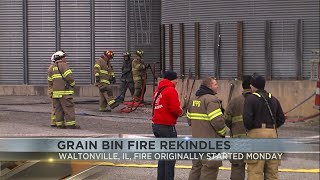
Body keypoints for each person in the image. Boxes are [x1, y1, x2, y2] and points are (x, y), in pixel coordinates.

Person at [243, 74, 285, 180]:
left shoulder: (250, 99)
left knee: (255, 170)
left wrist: (254, 129)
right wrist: (270, 128)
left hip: (256, 135)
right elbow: (281, 118)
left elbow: (247, 119)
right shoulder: (273, 99)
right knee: (272, 170)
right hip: (272, 135)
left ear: (253, 86)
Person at [187, 77, 227, 180]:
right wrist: (223, 133)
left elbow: (189, 120)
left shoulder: (193, 100)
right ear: (209, 86)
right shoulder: (211, 100)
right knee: (210, 170)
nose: (217, 86)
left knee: (196, 168)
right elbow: (218, 122)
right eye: (215, 84)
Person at [152, 70, 183, 180]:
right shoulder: (170, 90)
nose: (177, 81)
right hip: (167, 126)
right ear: (171, 79)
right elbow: (174, 108)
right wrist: (181, 112)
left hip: (156, 125)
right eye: (176, 79)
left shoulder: (158, 90)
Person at [224, 75, 252, 180]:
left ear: (242, 87)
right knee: (255, 168)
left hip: (237, 139)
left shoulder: (235, 101)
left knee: (237, 166)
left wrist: (234, 128)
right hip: (255, 139)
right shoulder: (260, 100)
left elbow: (226, 119)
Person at [47, 50, 80, 129]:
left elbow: (50, 81)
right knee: (68, 108)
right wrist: (73, 84)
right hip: (65, 92)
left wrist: (51, 92)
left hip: (56, 93)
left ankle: (59, 124)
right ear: (61, 58)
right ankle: (70, 124)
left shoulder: (51, 68)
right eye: (64, 57)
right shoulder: (64, 65)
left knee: (58, 109)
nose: (65, 59)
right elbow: (69, 77)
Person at [48, 53, 57, 127]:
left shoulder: (53, 67)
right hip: (53, 90)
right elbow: (51, 81)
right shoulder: (52, 68)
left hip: (53, 89)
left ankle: (55, 121)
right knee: (55, 106)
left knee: (55, 106)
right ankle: (54, 122)